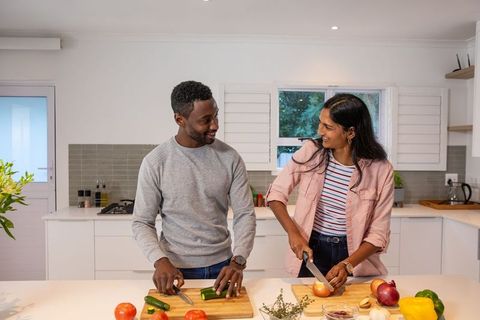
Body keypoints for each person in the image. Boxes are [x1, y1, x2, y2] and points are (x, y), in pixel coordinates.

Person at [132, 80, 256, 298]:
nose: (215, 125)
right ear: (180, 119)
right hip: (174, 270)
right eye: (205, 120)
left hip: (224, 268)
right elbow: (142, 222)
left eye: (215, 115)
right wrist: (160, 260)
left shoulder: (230, 158)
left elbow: (245, 214)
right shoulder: (156, 162)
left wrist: (239, 261)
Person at [266, 93, 393, 290]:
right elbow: (276, 194)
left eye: (328, 127)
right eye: (320, 123)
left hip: (354, 256)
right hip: (311, 249)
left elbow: (378, 234)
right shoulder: (311, 152)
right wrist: (294, 234)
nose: (320, 130)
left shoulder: (381, 169)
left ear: (350, 132)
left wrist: (347, 264)